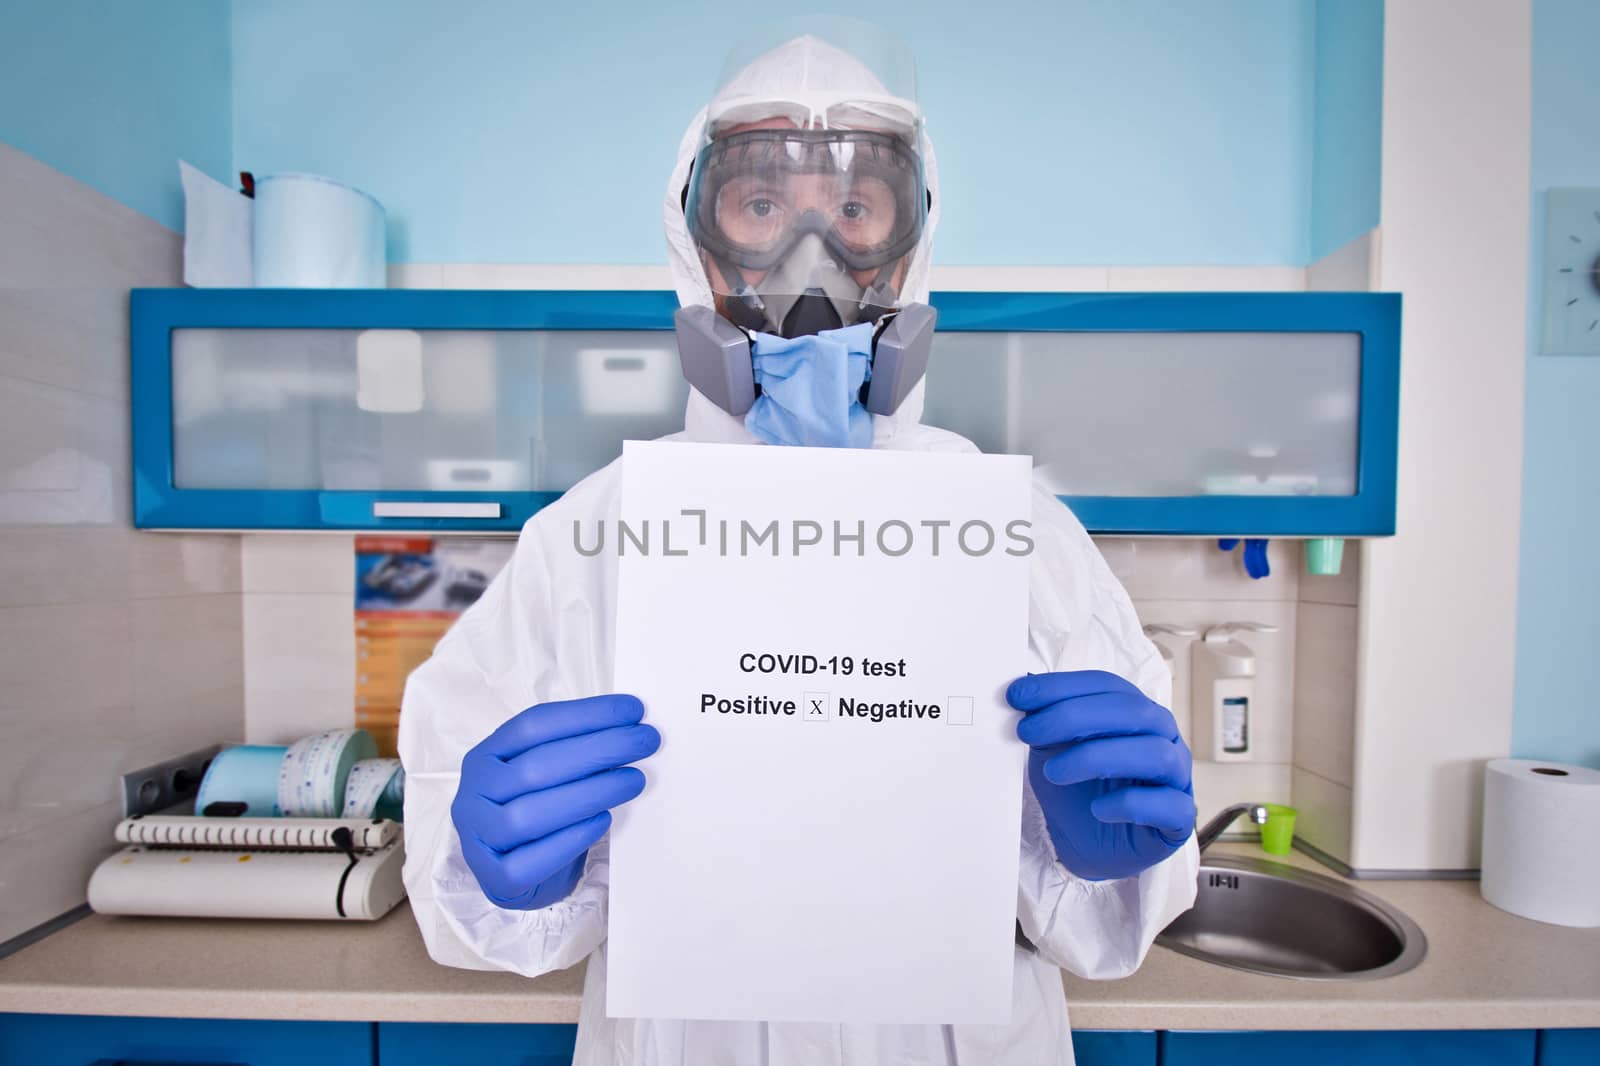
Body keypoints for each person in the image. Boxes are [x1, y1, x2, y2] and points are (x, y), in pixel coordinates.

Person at [400, 22, 1198, 1066]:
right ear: (697, 238)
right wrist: (492, 864)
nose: (809, 257)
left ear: (908, 245)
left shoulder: (1018, 532)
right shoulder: (590, 537)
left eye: (856, 209)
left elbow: (1103, 927)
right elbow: (473, 895)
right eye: (762, 205)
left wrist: (1102, 862)